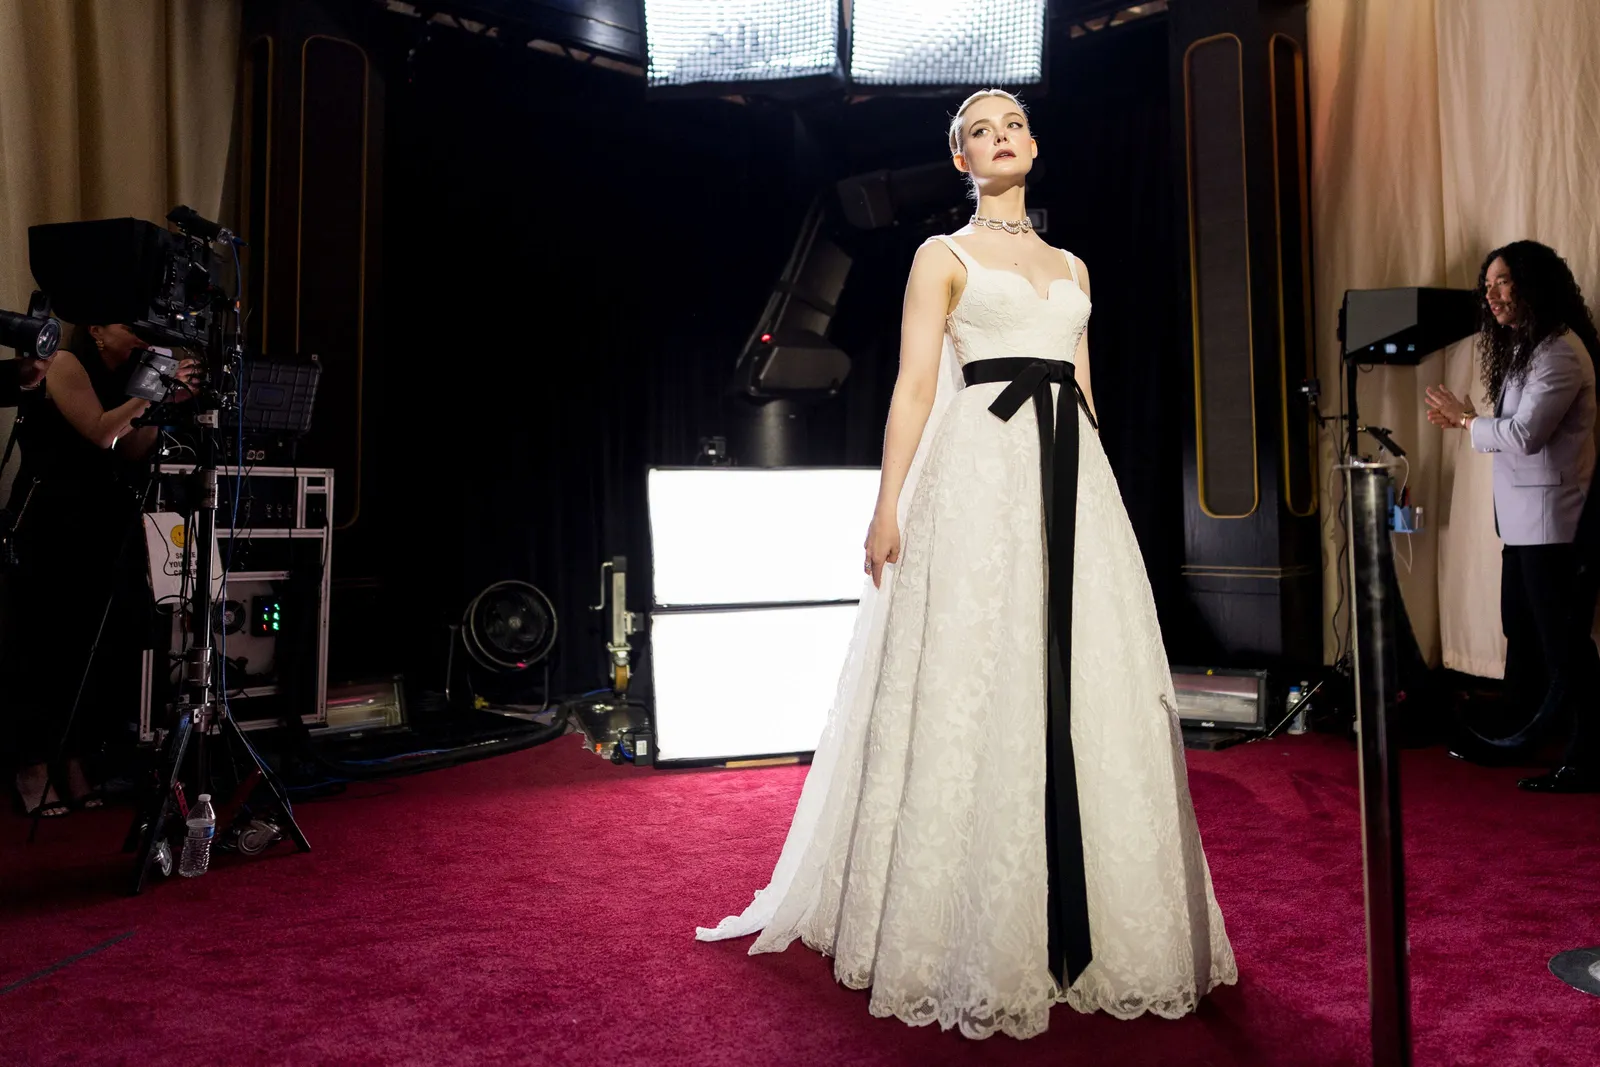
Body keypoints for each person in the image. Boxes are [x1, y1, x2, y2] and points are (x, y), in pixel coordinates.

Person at [697, 89, 1236, 1039]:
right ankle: (962, 923)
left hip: (1069, 476)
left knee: (1083, 677)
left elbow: (1089, 391)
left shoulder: (1071, 265)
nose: (1001, 139)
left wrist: (1106, 510)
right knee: (975, 667)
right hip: (978, 473)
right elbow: (912, 386)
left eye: (1013, 125)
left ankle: (1101, 917)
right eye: (980, 132)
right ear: (961, 161)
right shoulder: (938, 257)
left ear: (1034, 143)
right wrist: (886, 505)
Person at [1425, 241, 1600, 794]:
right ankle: (1520, 740)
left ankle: (1589, 756)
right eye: (1488, 285)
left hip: (1554, 527)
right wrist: (1467, 423)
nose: (1492, 295)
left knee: (1564, 646)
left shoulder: (1560, 353)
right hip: (1522, 526)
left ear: (1533, 284)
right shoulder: (1528, 347)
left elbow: (1526, 436)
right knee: (1522, 634)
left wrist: (1468, 421)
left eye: (1503, 282)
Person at [2, 322, 197, 816]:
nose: (139, 333)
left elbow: (134, 449)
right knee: (41, 647)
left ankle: (72, 761)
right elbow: (103, 433)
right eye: (127, 324)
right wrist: (152, 391)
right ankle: (30, 766)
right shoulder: (67, 364)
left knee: (92, 645)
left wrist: (161, 403)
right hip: (50, 521)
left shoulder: (135, 377)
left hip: (104, 522)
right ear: (97, 331)